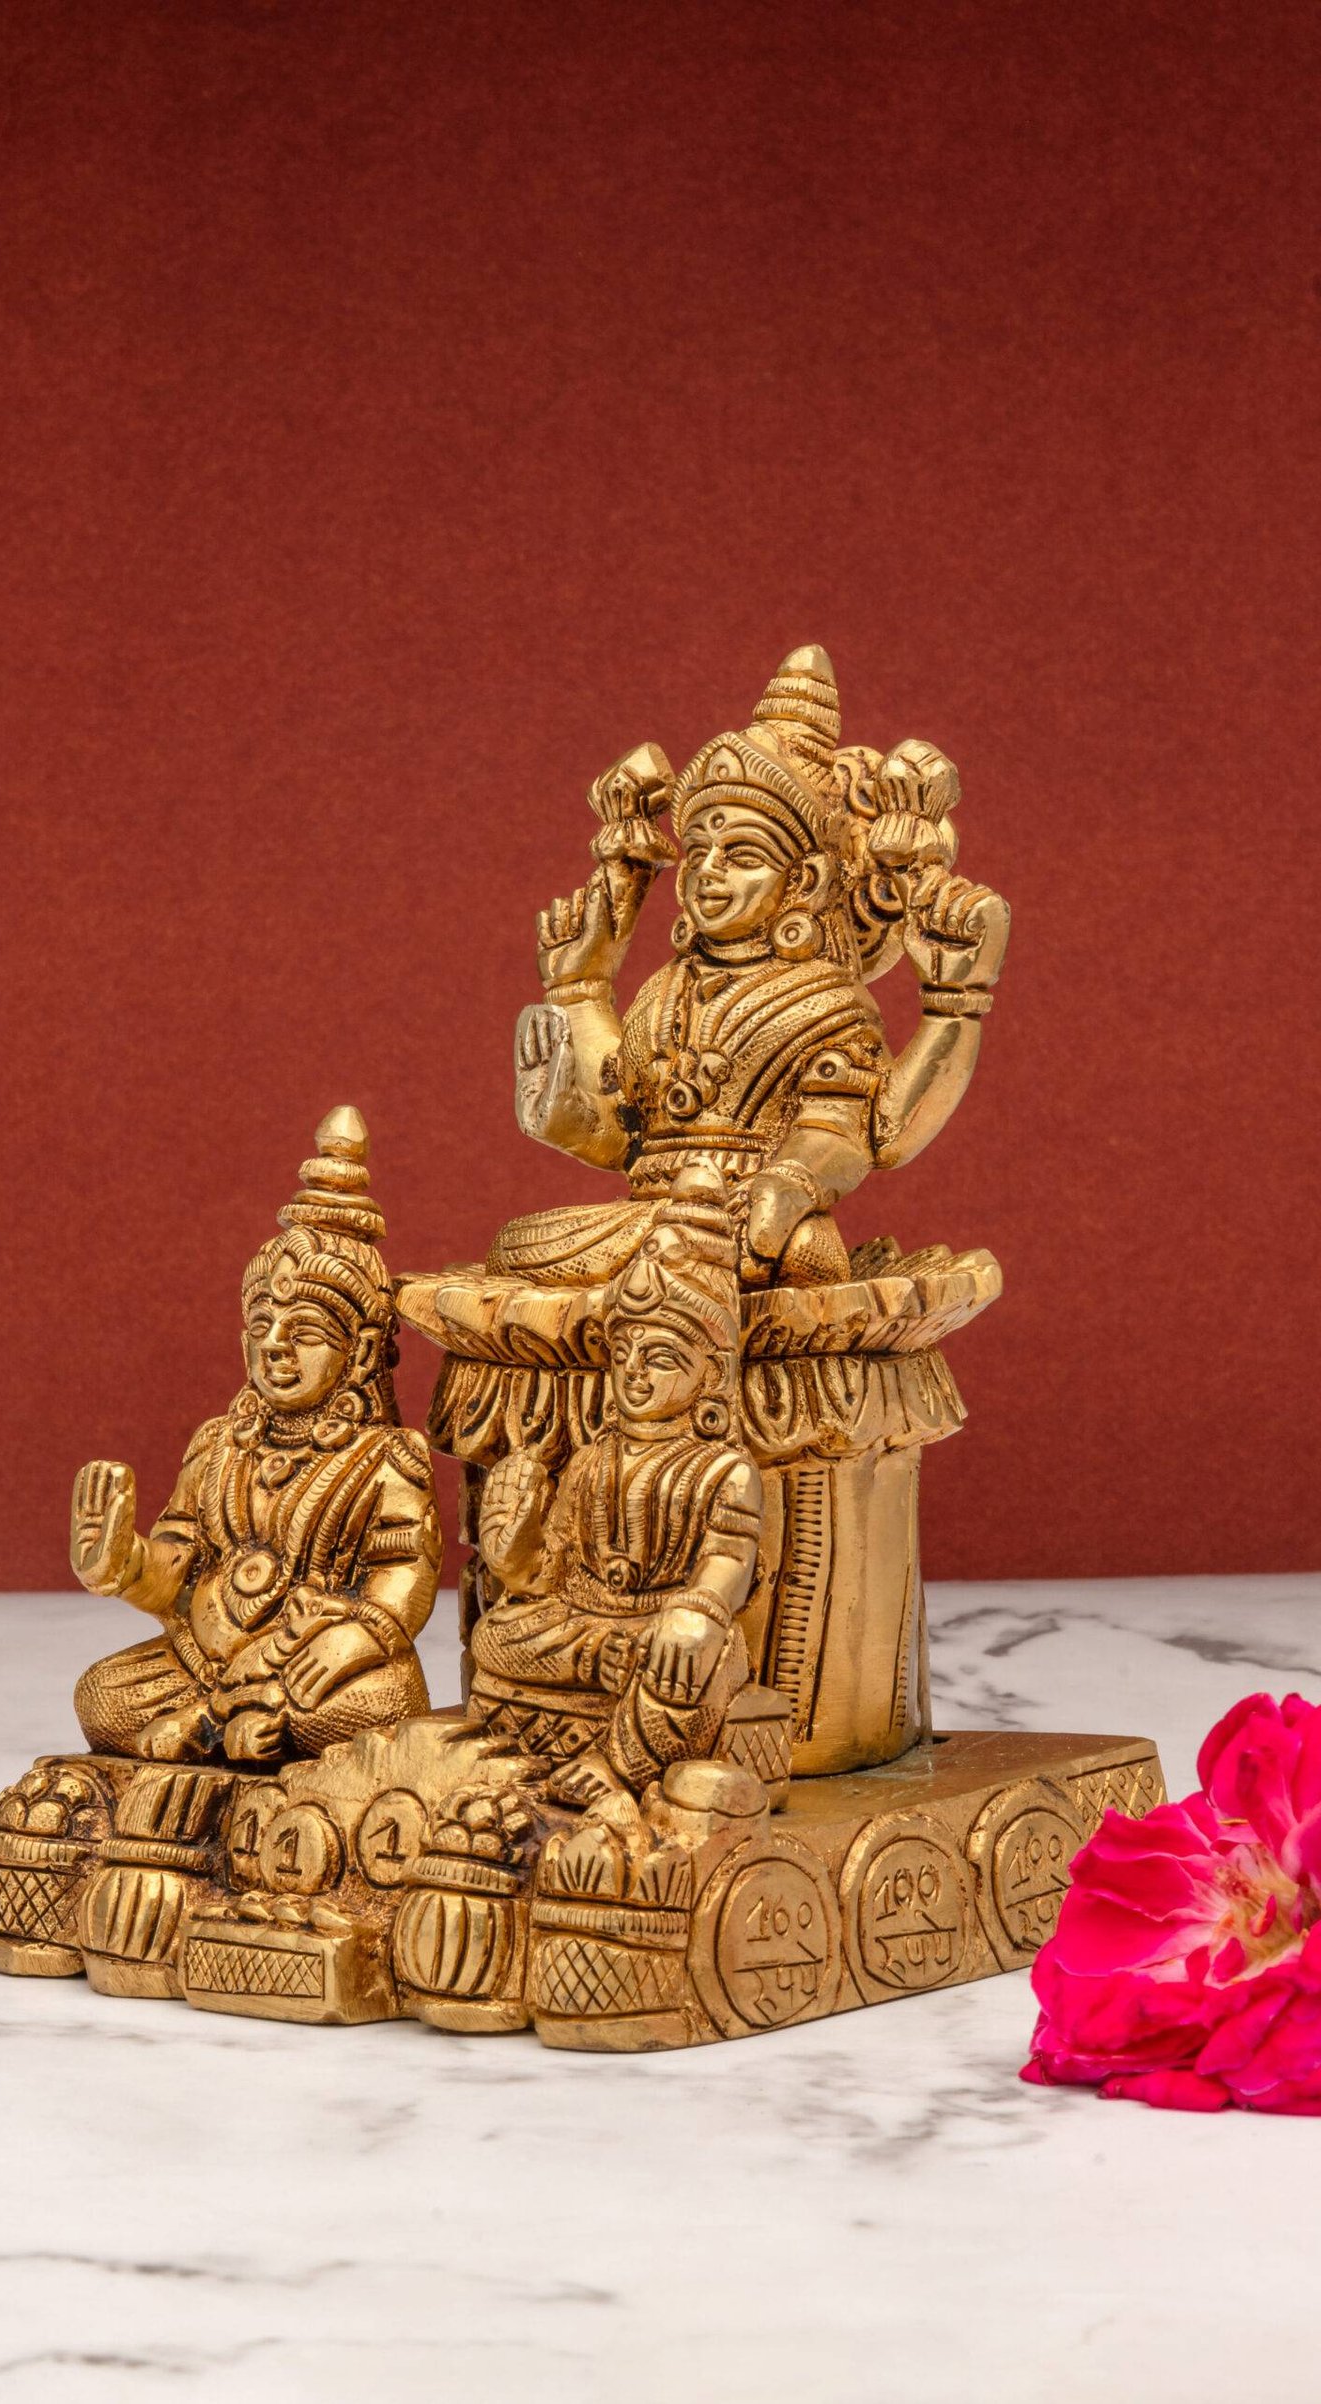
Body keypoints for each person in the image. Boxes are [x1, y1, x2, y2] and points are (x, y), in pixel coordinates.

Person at [501, 644, 1010, 1289]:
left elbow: (855, 1131)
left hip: (753, 1216)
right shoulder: (662, 993)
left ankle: (703, 1261)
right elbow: (624, 1134)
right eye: (699, 853)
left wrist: (789, 1185)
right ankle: (685, 1259)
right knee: (517, 1246)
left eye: (742, 856)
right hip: (657, 1218)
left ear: (803, 880)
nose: (710, 872)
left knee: (793, 1246)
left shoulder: (824, 1003)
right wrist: (577, 1002)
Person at [67, 1108, 439, 1764]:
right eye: (263, 1325)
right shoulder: (219, 1444)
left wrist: (356, 1639)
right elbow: (181, 1568)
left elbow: (405, 1572)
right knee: (102, 1696)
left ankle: (221, 1723)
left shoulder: (387, 1457)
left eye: (305, 1331)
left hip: (317, 1664)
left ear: (360, 1352)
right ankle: (228, 1721)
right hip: (205, 1658)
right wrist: (124, 1565)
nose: (275, 1346)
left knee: (381, 1707)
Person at [470, 1164, 762, 1803]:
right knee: (496, 1635)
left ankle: (621, 1767)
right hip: (584, 1626)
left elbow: (730, 1562)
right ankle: (572, 1695)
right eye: (623, 1355)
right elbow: (553, 1570)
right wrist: (514, 1551)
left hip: (668, 1630)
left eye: (659, 1358)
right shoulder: (591, 1460)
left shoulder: (724, 1471)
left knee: (696, 1660)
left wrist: (697, 1611)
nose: (634, 1374)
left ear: (711, 1373)